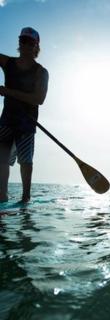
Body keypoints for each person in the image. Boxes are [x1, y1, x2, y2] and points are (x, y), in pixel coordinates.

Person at [0, 27, 49, 203]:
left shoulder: (41, 72)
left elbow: (38, 99)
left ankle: (26, 198)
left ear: (36, 47)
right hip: (6, 122)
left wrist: (8, 92)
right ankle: (2, 198)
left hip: (27, 125)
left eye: (30, 42)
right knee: (1, 161)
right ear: (19, 43)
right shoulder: (7, 62)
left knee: (25, 162)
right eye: (23, 40)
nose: (25, 45)